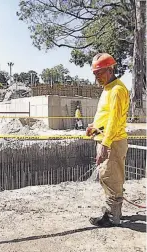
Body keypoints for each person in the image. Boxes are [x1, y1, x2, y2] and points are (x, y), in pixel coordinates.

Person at [86, 53, 129, 227]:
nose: (97, 78)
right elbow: (106, 116)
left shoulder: (117, 90)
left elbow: (115, 120)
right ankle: (114, 212)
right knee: (108, 177)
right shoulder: (108, 89)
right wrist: (94, 126)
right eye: (95, 74)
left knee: (111, 178)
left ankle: (112, 217)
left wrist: (105, 144)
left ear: (110, 70)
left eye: (100, 73)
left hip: (113, 141)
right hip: (107, 138)